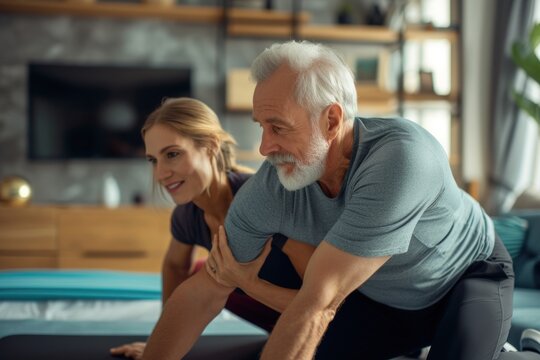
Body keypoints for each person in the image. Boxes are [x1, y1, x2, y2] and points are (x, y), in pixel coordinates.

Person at [141, 42, 540, 360]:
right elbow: (207, 287)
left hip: (465, 279)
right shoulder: (273, 185)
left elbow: (319, 302)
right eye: (261, 127)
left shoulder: (401, 159)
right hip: (384, 302)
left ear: (331, 121)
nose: (263, 147)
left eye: (278, 127)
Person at [109, 97, 307, 359]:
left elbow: (326, 296)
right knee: (203, 271)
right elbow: (175, 266)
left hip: (318, 318)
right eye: (153, 160)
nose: (160, 174)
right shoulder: (187, 216)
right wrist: (162, 340)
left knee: (213, 271)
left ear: (211, 146)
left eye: (172, 154)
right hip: (274, 317)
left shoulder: (262, 200)